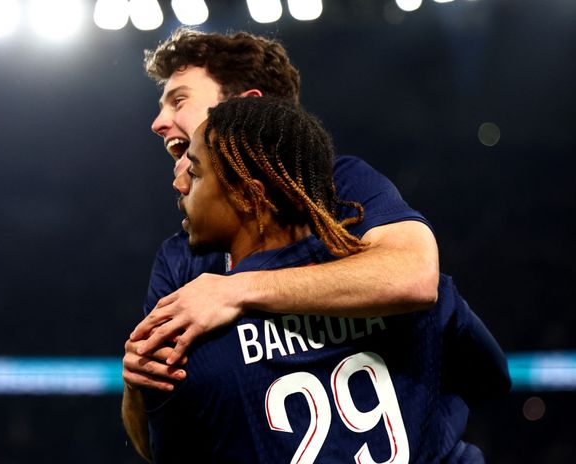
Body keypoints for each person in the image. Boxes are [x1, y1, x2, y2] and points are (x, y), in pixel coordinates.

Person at [127, 96, 509, 463]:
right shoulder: (403, 284)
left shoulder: (190, 335)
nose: (180, 185)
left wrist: (137, 387)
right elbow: (493, 380)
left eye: (194, 173)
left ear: (248, 196)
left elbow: (162, 450)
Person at [124, 28, 440, 392]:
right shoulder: (179, 256)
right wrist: (136, 382)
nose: (157, 123)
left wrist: (235, 290)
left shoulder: (339, 184)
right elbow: (163, 439)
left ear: (248, 106)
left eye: (178, 101)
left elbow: (413, 276)